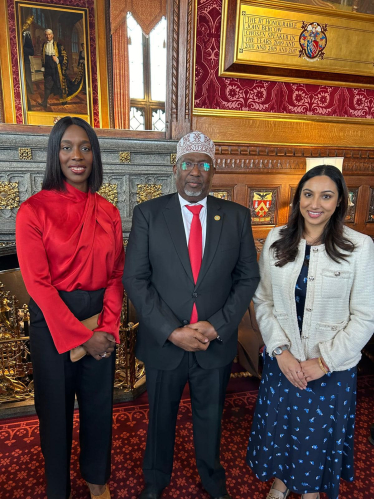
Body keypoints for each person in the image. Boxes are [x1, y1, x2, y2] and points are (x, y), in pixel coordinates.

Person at [123, 131, 260, 499]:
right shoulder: (149, 214)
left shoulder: (235, 216)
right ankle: (155, 480)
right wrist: (171, 330)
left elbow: (248, 278)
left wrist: (217, 326)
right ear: (175, 168)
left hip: (213, 343)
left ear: (213, 172)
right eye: (188, 163)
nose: (195, 172)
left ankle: (212, 479)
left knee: (210, 418)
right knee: (160, 420)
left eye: (203, 164)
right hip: (164, 343)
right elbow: (135, 280)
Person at [246, 165, 374, 499]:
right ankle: (281, 481)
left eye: (326, 195)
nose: (315, 203)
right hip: (283, 363)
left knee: (315, 437)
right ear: (298, 198)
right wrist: (280, 351)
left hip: (331, 369)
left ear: (339, 201)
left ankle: (311, 490)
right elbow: (263, 301)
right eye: (308, 194)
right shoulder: (276, 239)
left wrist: (324, 361)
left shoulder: (360, 247)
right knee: (283, 430)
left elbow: (365, 317)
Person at [16, 116, 125, 499]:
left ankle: (97, 480)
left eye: (85, 147)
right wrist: (81, 337)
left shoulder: (108, 211)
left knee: (99, 409)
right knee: (55, 415)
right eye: (67, 147)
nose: (76, 156)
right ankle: (57, 488)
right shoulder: (33, 210)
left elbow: (116, 275)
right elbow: (39, 287)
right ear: (54, 154)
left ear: (94, 155)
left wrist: (106, 330)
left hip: (100, 321)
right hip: (52, 325)